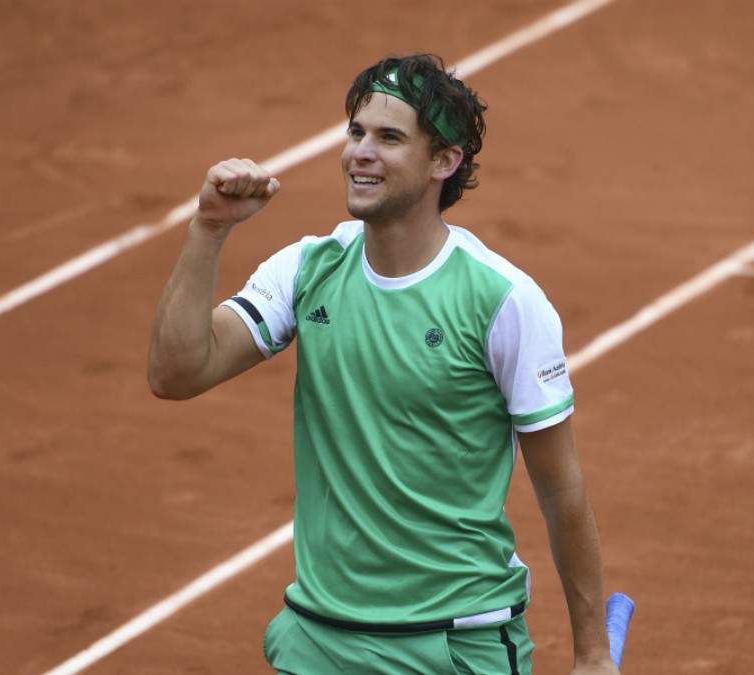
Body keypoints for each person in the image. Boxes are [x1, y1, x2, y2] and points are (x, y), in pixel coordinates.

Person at [149, 53, 619, 675]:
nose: (360, 153)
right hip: (320, 638)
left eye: (389, 138)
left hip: (451, 643)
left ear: (443, 163)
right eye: (356, 132)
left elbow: (561, 488)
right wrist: (208, 229)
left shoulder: (503, 301)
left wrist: (590, 654)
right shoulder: (308, 270)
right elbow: (176, 373)